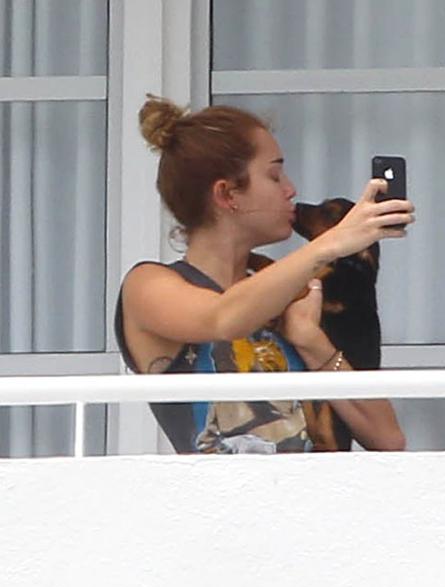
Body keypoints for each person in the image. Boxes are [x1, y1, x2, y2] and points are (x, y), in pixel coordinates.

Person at [114, 95, 414, 455]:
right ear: (227, 194)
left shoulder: (286, 292)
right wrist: (331, 243)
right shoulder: (148, 285)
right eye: (274, 175)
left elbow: (388, 438)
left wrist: (309, 339)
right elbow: (224, 317)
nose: (290, 189)